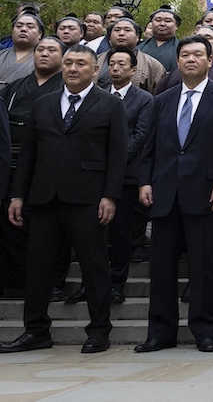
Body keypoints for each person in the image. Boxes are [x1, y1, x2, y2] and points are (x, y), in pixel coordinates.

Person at [0, 45, 126, 354]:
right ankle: (36, 330)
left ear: (94, 70)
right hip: (44, 198)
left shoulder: (110, 104)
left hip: (88, 198)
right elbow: (28, 154)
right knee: (38, 267)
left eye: (80, 63)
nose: (72, 68)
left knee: (94, 267)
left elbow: (117, 155)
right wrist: (18, 194)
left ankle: (99, 330)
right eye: (68, 62)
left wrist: (110, 195)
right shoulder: (43, 104)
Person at [135, 36, 213, 353]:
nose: (191, 59)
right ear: (178, 61)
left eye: (198, 54)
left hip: (208, 192)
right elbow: (148, 146)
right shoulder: (162, 100)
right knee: (161, 268)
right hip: (165, 192)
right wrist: (145, 182)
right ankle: (160, 332)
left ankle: (205, 330)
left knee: (204, 267)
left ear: (210, 60)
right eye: (185, 55)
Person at [0, 36, 64, 296]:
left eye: (51, 50)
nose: (44, 54)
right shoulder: (15, 87)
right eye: (40, 50)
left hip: (49, 169)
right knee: (12, 226)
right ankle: (15, 282)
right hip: (13, 166)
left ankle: (52, 283)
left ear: (63, 57)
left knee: (49, 229)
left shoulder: (66, 88)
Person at [102, 47, 153, 306]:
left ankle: (116, 284)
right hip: (95, 174)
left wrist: (115, 159)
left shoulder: (144, 99)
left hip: (127, 175)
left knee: (121, 233)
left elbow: (141, 135)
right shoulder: (98, 95)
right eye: (112, 63)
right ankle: (92, 284)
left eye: (122, 64)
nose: (115, 68)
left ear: (133, 70)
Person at [96, 18, 166, 94]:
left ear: (137, 37)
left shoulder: (153, 65)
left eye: (127, 30)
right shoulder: (96, 60)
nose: (121, 33)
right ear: (109, 37)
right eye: (117, 30)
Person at [0, 12, 43, 87]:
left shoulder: (44, 59)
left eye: (30, 27)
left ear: (40, 34)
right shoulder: (1, 54)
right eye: (19, 26)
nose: (23, 29)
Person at [139, 6, 181, 72]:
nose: (162, 24)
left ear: (176, 25)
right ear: (151, 23)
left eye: (167, 21)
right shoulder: (139, 48)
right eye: (158, 20)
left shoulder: (181, 49)